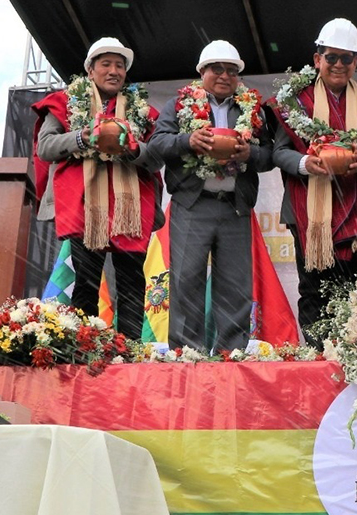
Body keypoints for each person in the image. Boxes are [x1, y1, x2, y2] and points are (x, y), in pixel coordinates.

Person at [32, 37, 160, 340]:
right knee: (86, 284)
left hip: (130, 209)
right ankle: (86, 348)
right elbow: (46, 147)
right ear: (90, 70)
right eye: (106, 64)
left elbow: (155, 159)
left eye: (120, 65)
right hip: (83, 206)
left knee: (131, 284)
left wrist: (132, 149)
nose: (114, 71)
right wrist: (81, 137)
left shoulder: (143, 111)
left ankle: (129, 352)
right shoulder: (64, 102)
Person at [149, 40, 273, 352]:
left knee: (236, 284)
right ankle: (187, 352)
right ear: (202, 72)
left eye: (232, 71)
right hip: (192, 204)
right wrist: (187, 141)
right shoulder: (179, 105)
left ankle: (231, 352)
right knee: (185, 280)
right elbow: (156, 145)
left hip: (235, 208)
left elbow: (270, 154)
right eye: (217, 69)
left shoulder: (251, 109)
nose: (224, 75)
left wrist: (250, 153)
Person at [269, 18, 357, 345]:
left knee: (353, 287)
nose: (338, 65)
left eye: (346, 58)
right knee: (313, 288)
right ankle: (319, 357)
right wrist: (306, 163)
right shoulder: (295, 101)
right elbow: (279, 152)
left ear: (355, 62)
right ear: (317, 59)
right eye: (331, 57)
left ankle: (350, 352)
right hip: (308, 210)